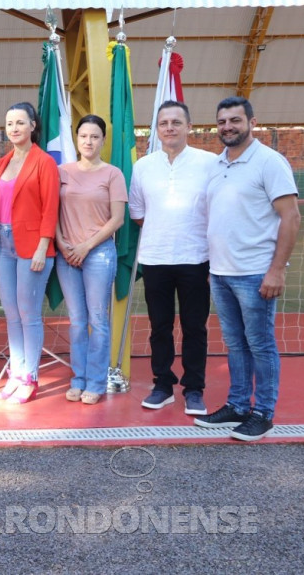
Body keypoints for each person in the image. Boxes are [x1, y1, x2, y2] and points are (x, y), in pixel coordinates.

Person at [194, 97, 300, 441]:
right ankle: (238, 405)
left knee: (260, 344)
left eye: (235, 120)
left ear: (252, 122)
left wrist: (277, 270)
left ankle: (263, 413)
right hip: (221, 274)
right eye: (222, 121)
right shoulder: (217, 164)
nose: (228, 127)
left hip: (255, 273)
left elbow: (291, 217)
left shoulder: (270, 162)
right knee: (235, 344)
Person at [129, 101, 217, 415]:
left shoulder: (210, 163)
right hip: (155, 259)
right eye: (164, 122)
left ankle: (194, 389)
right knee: (159, 327)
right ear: (157, 129)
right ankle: (163, 385)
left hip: (196, 259)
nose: (170, 127)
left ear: (189, 127)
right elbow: (139, 214)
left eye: (176, 122)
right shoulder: (142, 167)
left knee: (195, 327)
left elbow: (217, 210)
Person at [0, 102, 59, 404]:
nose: (14, 128)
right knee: (11, 314)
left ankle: (31, 377)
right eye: (10, 122)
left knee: (29, 314)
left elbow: (51, 208)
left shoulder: (45, 163)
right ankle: (16, 372)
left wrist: (42, 247)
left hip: (32, 247)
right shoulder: (2, 163)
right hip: (2, 244)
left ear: (33, 126)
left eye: (20, 122)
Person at [54, 115, 127, 405]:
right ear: (76, 138)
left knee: (98, 321)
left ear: (103, 141)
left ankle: (96, 382)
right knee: (76, 321)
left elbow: (118, 219)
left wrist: (86, 246)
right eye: (83, 135)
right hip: (66, 254)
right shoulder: (62, 171)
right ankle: (78, 379)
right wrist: (62, 243)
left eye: (95, 137)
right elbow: (52, 212)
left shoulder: (113, 174)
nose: (88, 141)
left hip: (98, 254)